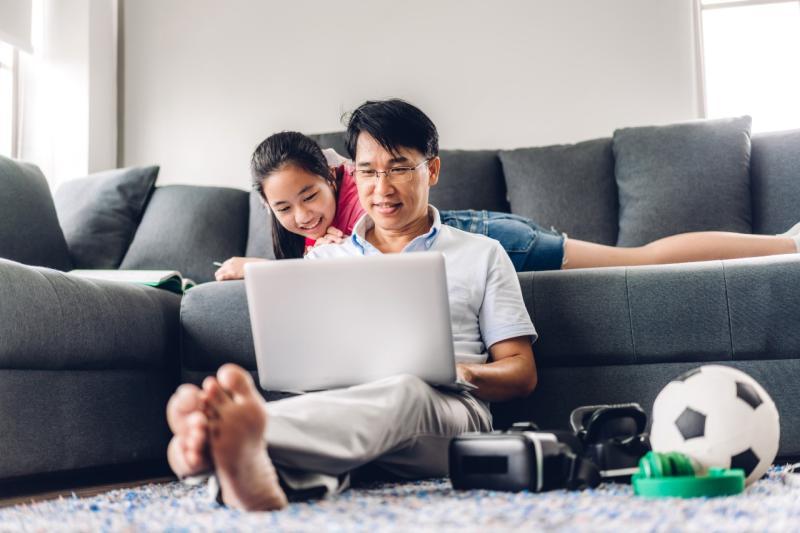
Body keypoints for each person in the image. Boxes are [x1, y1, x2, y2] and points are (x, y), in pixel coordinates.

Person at [166, 99, 538, 510]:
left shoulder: (482, 253)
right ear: (351, 173)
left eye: (398, 168)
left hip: (452, 412)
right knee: (338, 418)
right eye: (367, 171)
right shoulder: (322, 261)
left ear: (431, 169)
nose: (381, 188)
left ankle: (218, 444)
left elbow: (521, 373)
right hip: (348, 410)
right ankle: (248, 471)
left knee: (404, 389)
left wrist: (460, 372)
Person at [214, 131, 800, 282]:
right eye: (284, 208)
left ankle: (786, 243)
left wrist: (249, 266)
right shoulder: (313, 231)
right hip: (474, 238)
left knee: (637, 261)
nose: (303, 216)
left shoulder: (359, 185)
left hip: (491, 240)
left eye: (310, 196)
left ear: (334, 173)